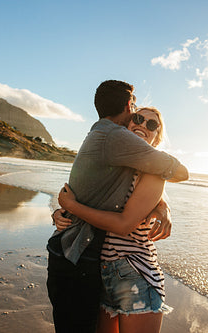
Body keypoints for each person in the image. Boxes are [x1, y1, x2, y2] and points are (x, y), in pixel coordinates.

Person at [46, 80, 188, 333]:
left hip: (135, 270)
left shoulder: (149, 168)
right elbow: (86, 188)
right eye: (137, 118)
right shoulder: (117, 155)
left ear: (157, 137)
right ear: (128, 117)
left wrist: (163, 206)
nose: (143, 124)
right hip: (100, 270)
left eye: (152, 124)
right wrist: (62, 209)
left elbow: (130, 216)